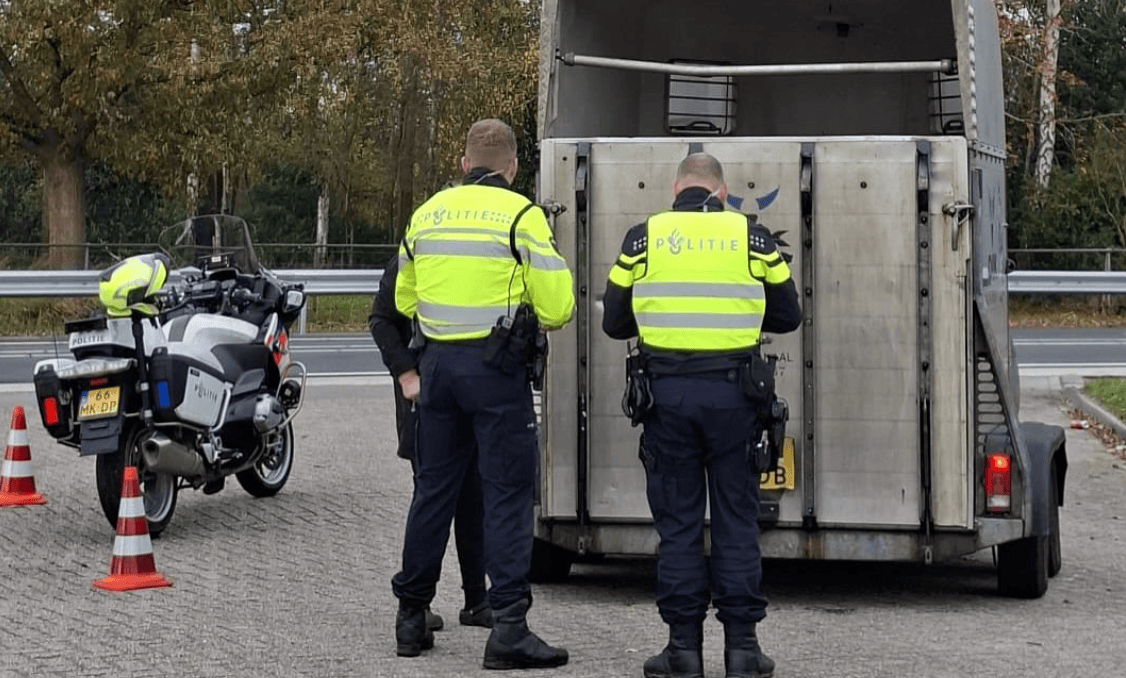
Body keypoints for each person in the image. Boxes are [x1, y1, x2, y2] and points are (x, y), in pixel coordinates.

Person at [601, 152, 801, 678]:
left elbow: (614, 321)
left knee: (679, 526)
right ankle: (742, 652)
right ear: (722, 191)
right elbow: (788, 314)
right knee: (737, 521)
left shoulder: (643, 239)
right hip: (736, 398)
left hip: (666, 400)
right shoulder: (751, 237)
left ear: (675, 190)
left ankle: (682, 651)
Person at [391, 118, 575, 670]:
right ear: (514, 166)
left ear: (465, 164)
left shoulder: (427, 213)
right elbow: (560, 306)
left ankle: (410, 617)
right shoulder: (521, 215)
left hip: (438, 368)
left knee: (434, 492)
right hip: (496, 373)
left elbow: (404, 300)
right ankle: (509, 629)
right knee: (507, 495)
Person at [368, 251, 493, 633]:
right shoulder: (417, 248)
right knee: (434, 498)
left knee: (474, 497)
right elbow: (382, 319)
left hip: (469, 394)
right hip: (425, 399)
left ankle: (477, 600)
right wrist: (406, 374)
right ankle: (416, 605)